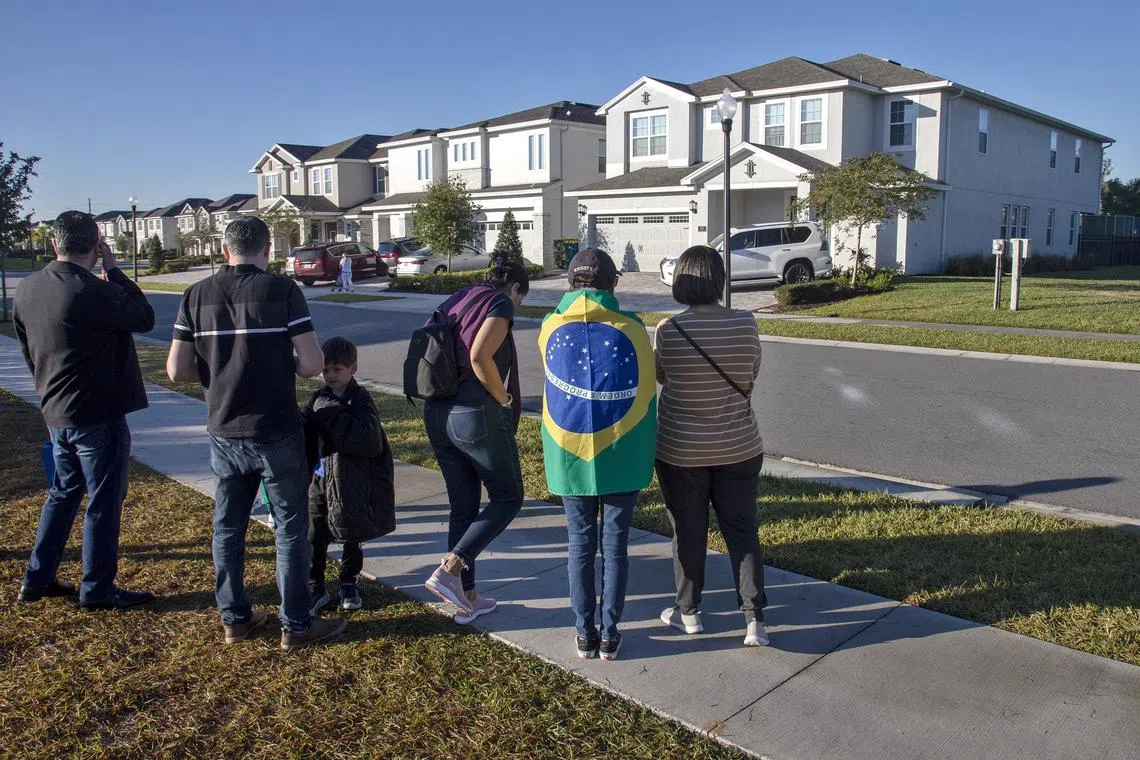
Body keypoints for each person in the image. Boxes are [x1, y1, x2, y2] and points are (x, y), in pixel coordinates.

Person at [165, 216, 347, 650]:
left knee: (227, 528)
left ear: (224, 250)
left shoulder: (196, 294)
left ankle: (235, 618)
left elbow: (176, 369)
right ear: (267, 250)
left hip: (223, 429)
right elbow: (309, 364)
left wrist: (218, 371)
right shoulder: (283, 292)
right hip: (276, 430)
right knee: (289, 527)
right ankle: (296, 625)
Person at [14, 211, 155, 610]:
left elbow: (29, 350)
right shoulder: (94, 291)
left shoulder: (27, 289)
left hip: (56, 408)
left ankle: (37, 578)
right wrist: (115, 270)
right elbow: (143, 316)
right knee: (104, 499)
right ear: (96, 246)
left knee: (63, 492)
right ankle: (97, 587)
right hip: (98, 412)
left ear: (54, 244)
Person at [538, 248, 655, 661]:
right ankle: (609, 633)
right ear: (613, 283)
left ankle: (583, 633)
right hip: (621, 451)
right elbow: (646, 388)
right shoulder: (635, 329)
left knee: (580, 543)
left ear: (571, 283)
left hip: (570, 453)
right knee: (616, 544)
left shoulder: (550, 325)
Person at [654, 245, 769, 648]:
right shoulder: (745, 323)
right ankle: (754, 620)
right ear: (720, 281)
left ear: (680, 281)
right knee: (742, 529)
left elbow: (661, 377)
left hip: (680, 450)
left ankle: (689, 613)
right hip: (739, 446)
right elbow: (751, 374)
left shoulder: (668, 330)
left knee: (688, 530)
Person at [422, 258, 529, 624]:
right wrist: (504, 399)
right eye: (521, 299)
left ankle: (465, 598)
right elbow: (480, 355)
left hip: (437, 413)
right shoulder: (498, 303)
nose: (516, 308)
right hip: (473, 414)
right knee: (508, 497)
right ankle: (450, 568)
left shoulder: (459, 297)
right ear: (515, 288)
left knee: (463, 508)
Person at [304, 336, 395, 614]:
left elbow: (369, 440)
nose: (330, 375)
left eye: (337, 369)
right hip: (320, 479)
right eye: (326, 370)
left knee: (351, 533)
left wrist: (332, 417)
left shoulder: (361, 399)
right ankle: (315, 585)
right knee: (314, 534)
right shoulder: (318, 399)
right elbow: (308, 436)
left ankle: (348, 581)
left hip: (352, 481)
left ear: (352, 369)